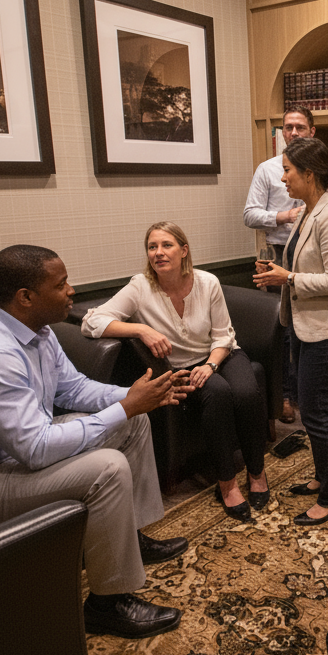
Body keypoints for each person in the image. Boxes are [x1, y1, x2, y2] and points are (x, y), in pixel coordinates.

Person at [0, 245, 191, 639]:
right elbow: (37, 448)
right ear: (25, 297)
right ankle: (106, 605)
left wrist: (134, 396)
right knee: (107, 468)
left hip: (9, 457)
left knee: (133, 424)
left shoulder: (36, 331)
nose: (71, 291)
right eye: (60, 285)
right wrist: (126, 406)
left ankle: (129, 537)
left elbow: (74, 389)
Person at [81, 221, 270, 520]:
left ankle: (257, 474)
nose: (158, 253)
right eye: (152, 247)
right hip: (181, 367)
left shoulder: (208, 282)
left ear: (183, 251)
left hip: (220, 355)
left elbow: (223, 335)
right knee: (218, 393)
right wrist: (141, 329)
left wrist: (211, 365)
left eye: (166, 245)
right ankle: (227, 483)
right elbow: (91, 322)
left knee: (246, 392)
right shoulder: (140, 287)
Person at [253, 137, 328, 526]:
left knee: (315, 412)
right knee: (320, 409)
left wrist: (290, 277)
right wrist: (278, 278)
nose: (282, 178)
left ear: (309, 174)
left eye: (287, 170)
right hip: (305, 323)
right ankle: (325, 477)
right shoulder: (304, 211)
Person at [243, 105, 328, 420]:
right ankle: (289, 396)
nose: (293, 132)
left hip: (313, 253)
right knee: (285, 331)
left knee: (314, 323)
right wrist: (284, 216)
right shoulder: (267, 169)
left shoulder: (320, 179)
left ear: (311, 132)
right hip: (279, 250)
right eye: (288, 127)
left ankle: (316, 389)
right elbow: (250, 214)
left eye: (299, 127)